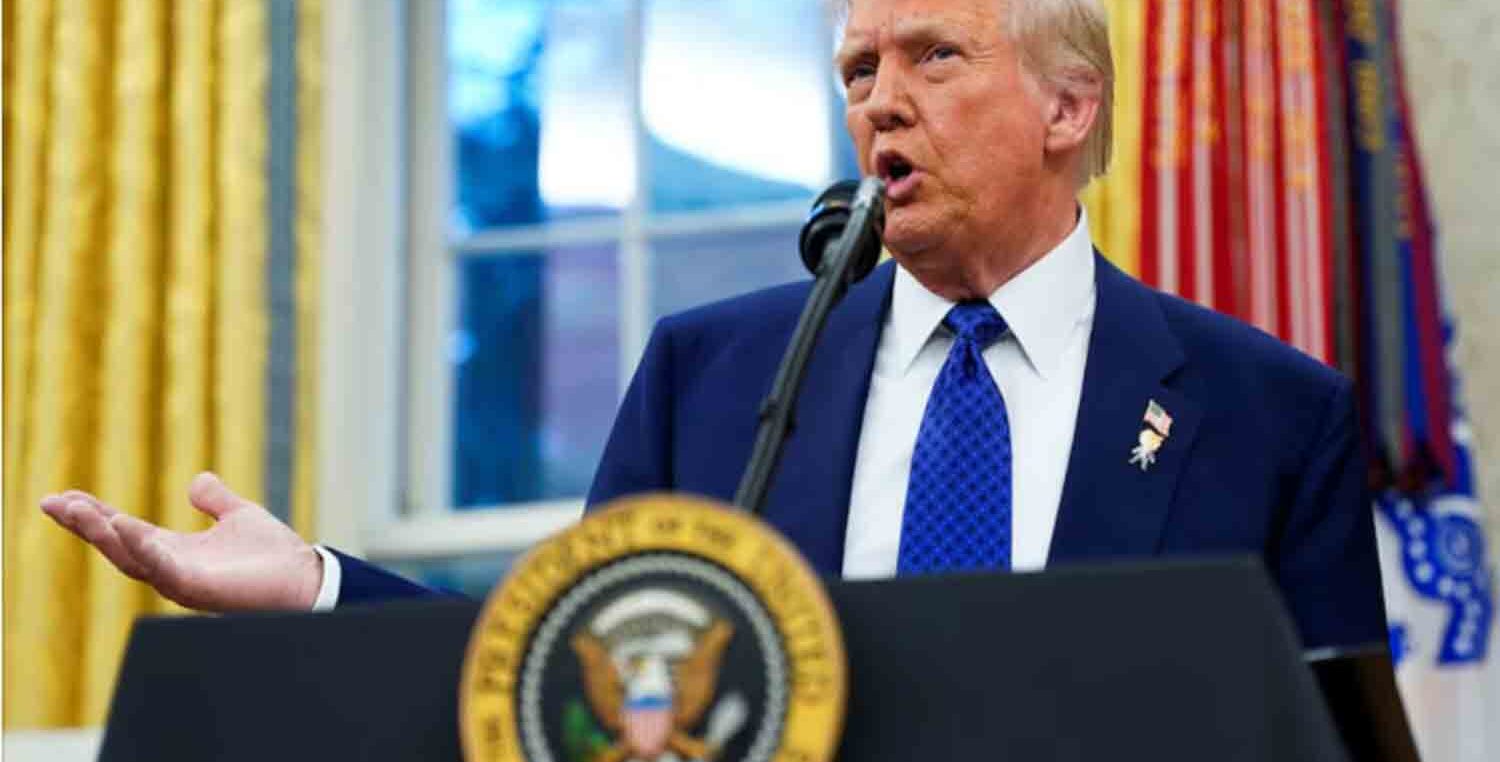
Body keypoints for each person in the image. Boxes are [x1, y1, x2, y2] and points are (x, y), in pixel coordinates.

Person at [39, 0, 1386, 648]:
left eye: (935, 55)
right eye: (860, 68)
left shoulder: (1265, 411)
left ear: (1070, 108)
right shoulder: (718, 371)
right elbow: (578, 652)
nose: (881, 101)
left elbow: (1333, 731)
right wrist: (322, 587)